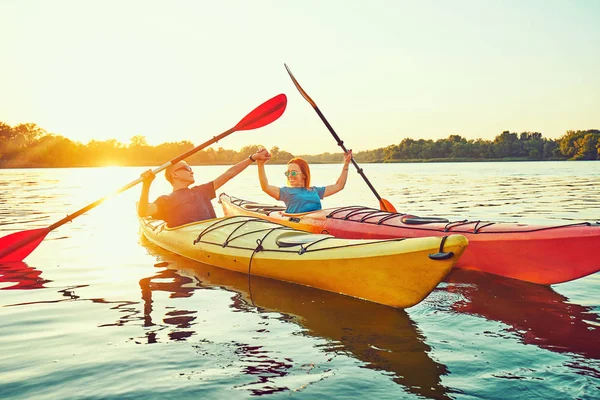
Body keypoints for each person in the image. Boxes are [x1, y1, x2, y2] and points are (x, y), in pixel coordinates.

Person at [138, 149, 270, 227]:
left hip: (213, 235)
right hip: (193, 240)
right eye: (187, 168)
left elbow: (229, 174)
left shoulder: (202, 191)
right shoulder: (166, 200)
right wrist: (146, 184)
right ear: (175, 174)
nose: (192, 171)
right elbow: (143, 212)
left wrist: (253, 158)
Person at [257, 150, 353, 213]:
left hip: (317, 221)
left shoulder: (315, 190)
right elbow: (265, 187)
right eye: (288, 173)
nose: (290, 176)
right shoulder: (286, 192)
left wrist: (346, 163)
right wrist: (260, 165)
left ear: (303, 175)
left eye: (293, 173)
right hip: (298, 224)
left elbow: (339, 186)